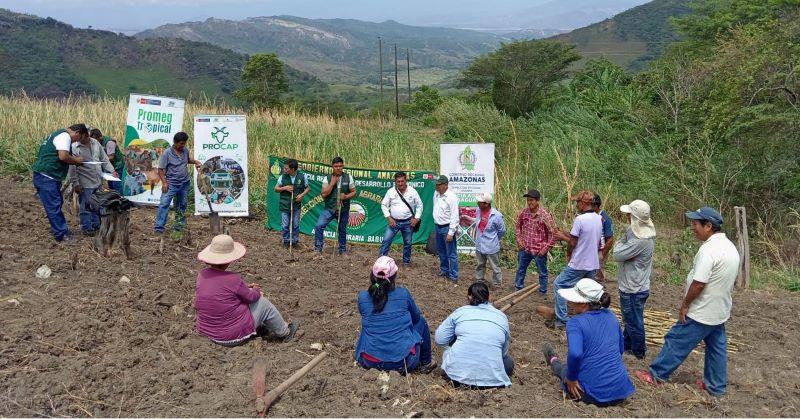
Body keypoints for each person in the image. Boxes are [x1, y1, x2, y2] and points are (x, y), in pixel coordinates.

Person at [637, 207, 739, 398]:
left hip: (701, 311)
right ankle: (715, 387)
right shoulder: (730, 247)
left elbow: (699, 284)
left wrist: (685, 304)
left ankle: (656, 375)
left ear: (708, 226)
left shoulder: (709, 250)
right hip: (719, 311)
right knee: (717, 349)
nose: (692, 227)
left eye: (695, 223)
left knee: (676, 341)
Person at [541, 278, 635, 406]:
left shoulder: (575, 323)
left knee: (565, 371)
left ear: (584, 304)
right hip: (620, 391)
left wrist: (572, 378)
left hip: (592, 395)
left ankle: (553, 359)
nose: (570, 302)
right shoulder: (611, 316)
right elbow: (620, 349)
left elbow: (575, 354)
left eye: (574, 300)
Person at [195, 234, 299, 346]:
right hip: (231, 337)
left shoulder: (202, 275)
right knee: (263, 303)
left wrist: (246, 287)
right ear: (229, 260)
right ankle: (285, 332)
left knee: (239, 305)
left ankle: (259, 328)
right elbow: (251, 297)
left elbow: (223, 293)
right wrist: (256, 290)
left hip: (209, 334)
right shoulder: (233, 279)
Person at [355, 256, 437, 374]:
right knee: (421, 322)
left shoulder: (362, 297)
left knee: (369, 324)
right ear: (394, 276)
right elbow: (416, 318)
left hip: (370, 361)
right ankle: (426, 363)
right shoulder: (403, 293)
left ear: (372, 275)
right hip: (404, 362)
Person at [435, 281, 513, 389]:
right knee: (508, 363)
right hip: (492, 383)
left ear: (469, 297)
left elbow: (440, 339)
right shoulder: (501, 317)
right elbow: (503, 352)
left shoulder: (460, 312)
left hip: (455, 377)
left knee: (453, 338)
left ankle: (458, 366)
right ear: (489, 297)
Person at [548, 190, 603, 329]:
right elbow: (585, 239)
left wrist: (564, 243)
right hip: (592, 263)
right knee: (586, 291)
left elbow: (573, 242)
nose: (576, 205)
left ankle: (562, 319)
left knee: (559, 285)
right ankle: (589, 317)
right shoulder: (598, 218)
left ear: (583, 203)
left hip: (579, 263)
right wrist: (565, 233)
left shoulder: (580, 219)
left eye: (577, 202)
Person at [613, 199, 656, 360]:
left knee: (633, 321)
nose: (626, 217)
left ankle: (638, 352)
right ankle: (628, 346)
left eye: (629, 215)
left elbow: (617, 254)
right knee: (630, 319)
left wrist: (621, 243)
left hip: (633, 288)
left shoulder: (640, 240)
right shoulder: (637, 233)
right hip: (634, 285)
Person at [31, 124, 87, 242]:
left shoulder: (58, 134)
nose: (76, 141)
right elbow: (63, 156)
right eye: (79, 138)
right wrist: (76, 161)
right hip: (47, 176)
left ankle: (61, 229)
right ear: (77, 133)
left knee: (56, 203)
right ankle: (61, 235)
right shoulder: (64, 137)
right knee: (54, 205)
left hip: (46, 175)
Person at [68, 129, 117, 235]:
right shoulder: (74, 147)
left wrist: (112, 171)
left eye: (81, 137)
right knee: (85, 206)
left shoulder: (96, 143)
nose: (79, 140)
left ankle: (96, 225)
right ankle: (86, 228)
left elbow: (104, 159)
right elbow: (72, 167)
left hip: (97, 180)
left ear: (86, 135)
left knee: (97, 205)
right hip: (85, 182)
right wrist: (76, 183)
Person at [154, 132, 202, 235]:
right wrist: (164, 183)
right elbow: (161, 169)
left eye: (184, 143)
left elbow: (187, 160)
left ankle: (179, 226)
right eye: (181, 143)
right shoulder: (166, 154)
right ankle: (159, 227)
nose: (183, 146)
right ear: (175, 143)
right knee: (164, 204)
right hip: (171, 184)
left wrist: (196, 162)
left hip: (184, 183)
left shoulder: (184, 150)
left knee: (182, 205)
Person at [514, 189, 556, 294]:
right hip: (525, 248)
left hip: (539, 250)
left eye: (532, 200)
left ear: (538, 201)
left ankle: (542, 292)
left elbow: (553, 234)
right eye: (528, 200)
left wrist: (545, 248)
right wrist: (519, 240)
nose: (529, 203)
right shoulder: (524, 212)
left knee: (542, 273)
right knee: (520, 269)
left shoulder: (545, 215)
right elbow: (518, 227)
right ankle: (518, 288)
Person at [461, 193, 506, 287]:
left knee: (495, 267)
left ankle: (497, 284)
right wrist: (468, 218)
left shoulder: (497, 216)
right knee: (480, 264)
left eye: (480, 202)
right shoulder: (478, 211)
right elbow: (477, 221)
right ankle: (479, 280)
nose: (477, 203)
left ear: (486, 204)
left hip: (491, 246)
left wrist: (493, 239)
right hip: (480, 245)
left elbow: (502, 231)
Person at [314, 156, 356, 256]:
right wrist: (332, 184)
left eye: (340, 166)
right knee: (319, 226)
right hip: (329, 208)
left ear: (343, 166)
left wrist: (345, 196)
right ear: (332, 166)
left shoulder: (348, 177)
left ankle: (342, 250)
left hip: (343, 209)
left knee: (342, 230)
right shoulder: (327, 178)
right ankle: (318, 248)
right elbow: (324, 194)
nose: (338, 168)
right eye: (336, 166)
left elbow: (354, 192)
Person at [380, 171, 423, 266]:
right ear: (395, 182)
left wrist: (416, 218)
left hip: (408, 222)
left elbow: (420, 205)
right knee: (386, 241)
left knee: (408, 243)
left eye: (402, 181)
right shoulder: (391, 191)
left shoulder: (413, 191)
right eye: (398, 181)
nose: (400, 183)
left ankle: (406, 262)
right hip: (394, 222)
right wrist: (388, 217)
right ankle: (381, 262)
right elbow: (383, 205)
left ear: (406, 180)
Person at [274, 159, 309, 248]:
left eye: (286, 168)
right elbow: (276, 189)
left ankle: (294, 241)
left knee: (295, 224)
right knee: (285, 225)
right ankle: (286, 241)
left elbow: (308, 188)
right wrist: (284, 188)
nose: (284, 170)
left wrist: (302, 195)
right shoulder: (282, 177)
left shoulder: (302, 177)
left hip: (296, 206)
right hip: (285, 205)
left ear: (293, 169)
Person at [432, 175, 460, 282]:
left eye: (439, 185)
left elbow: (454, 216)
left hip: (447, 227)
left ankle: (453, 275)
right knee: (441, 251)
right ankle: (444, 271)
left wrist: (451, 232)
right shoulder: (436, 194)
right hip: (438, 226)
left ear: (445, 185)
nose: (437, 187)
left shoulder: (452, 198)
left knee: (451, 253)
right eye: (436, 185)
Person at [90, 128, 124, 193]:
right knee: (111, 186)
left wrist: (98, 162)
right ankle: (114, 200)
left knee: (117, 186)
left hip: (117, 167)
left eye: (96, 140)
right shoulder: (97, 143)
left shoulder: (110, 143)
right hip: (108, 167)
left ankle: (121, 200)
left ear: (100, 137)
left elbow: (111, 158)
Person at [593, 194, 615, 282]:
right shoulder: (592, 217)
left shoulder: (605, 219)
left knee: (598, 276)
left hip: (600, 250)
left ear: (595, 206)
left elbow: (610, 239)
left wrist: (602, 254)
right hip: (593, 250)